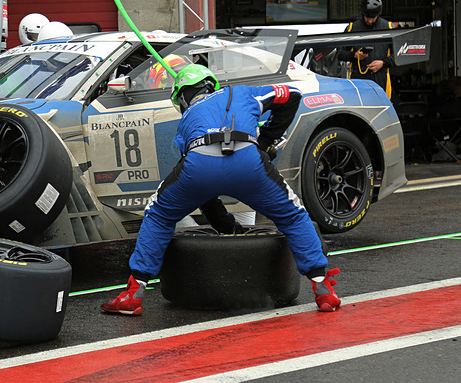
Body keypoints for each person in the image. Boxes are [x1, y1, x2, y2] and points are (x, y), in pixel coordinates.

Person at [101, 64, 340, 316]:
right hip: (249, 161)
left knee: (159, 215)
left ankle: (133, 294)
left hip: (199, 162)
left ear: (182, 97)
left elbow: (204, 193)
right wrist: (267, 140)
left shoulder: (186, 120)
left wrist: (225, 226)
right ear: (210, 84)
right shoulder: (243, 92)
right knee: (293, 216)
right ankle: (323, 288)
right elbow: (292, 95)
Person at [337, 0, 396, 99]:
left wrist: (383, 63)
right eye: (367, 17)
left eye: (373, 18)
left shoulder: (389, 28)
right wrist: (354, 55)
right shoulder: (352, 28)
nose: (369, 21)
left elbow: (399, 55)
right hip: (358, 81)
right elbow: (339, 53)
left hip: (381, 80)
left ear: (378, 15)